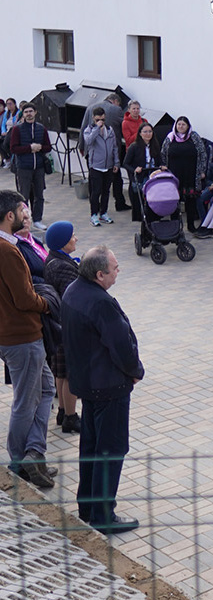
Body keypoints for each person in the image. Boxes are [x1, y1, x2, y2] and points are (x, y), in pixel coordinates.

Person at [62, 245, 143, 534]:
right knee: (111, 450)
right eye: (115, 268)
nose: (118, 271)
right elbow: (120, 344)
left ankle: (89, 506)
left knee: (92, 448)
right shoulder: (100, 302)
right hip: (108, 387)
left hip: (88, 384)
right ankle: (103, 515)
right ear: (99, 274)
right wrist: (135, 372)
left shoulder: (73, 290)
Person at [0, 189, 55, 489]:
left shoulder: (9, 247)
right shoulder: (8, 251)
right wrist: (47, 303)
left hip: (15, 335)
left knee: (45, 391)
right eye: (21, 211)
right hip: (21, 337)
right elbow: (24, 299)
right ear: (10, 216)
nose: (26, 214)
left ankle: (35, 453)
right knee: (25, 401)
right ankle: (19, 463)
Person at [42, 221, 82, 434]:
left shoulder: (53, 260)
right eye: (73, 236)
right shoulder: (64, 267)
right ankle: (70, 417)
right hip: (67, 327)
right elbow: (72, 298)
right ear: (63, 242)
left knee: (60, 371)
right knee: (70, 373)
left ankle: (62, 411)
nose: (76, 239)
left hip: (57, 325)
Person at [79, 93, 129, 212]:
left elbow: (82, 128)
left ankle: (94, 206)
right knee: (116, 179)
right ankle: (119, 203)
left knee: (93, 181)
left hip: (91, 152)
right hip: (109, 153)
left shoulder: (91, 107)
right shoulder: (117, 110)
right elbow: (124, 127)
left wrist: (82, 147)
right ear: (115, 101)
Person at [160, 116, 207, 234]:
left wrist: (202, 171)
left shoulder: (194, 137)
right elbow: (163, 154)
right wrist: (164, 169)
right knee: (174, 201)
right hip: (174, 175)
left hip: (191, 175)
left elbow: (202, 154)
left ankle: (191, 225)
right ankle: (175, 226)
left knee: (190, 202)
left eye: (183, 124)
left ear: (188, 126)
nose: (181, 127)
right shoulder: (170, 138)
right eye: (179, 124)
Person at [8, 102, 51, 229]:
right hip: (23, 167)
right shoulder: (17, 129)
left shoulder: (41, 128)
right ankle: (22, 220)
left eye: (31, 111)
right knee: (23, 196)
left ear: (35, 112)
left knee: (39, 194)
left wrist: (40, 147)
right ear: (23, 114)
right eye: (26, 112)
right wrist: (29, 148)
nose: (29, 114)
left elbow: (48, 147)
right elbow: (14, 148)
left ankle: (37, 219)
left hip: (38, 166)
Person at [83, 106, 120, 228]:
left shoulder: (110, 130)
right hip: (96, 166)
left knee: (106, 191)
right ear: (93, 118)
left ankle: (103, 213)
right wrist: (96, 128)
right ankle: (94, 214)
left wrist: (116, 162)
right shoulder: (89, 130)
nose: (101, 121)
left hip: (108, 166)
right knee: (96, 192)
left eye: (103, 119)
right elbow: (88, 142)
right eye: (98, 119)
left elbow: (114, 146)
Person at [122, 121, 162, 223]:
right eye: (145, 132)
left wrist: (161, 167)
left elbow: (159, 161)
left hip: (152, 176)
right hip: (140, 178)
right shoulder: (134, 147)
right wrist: (134, 170)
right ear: (140, 133)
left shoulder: (156, 146)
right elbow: (125, 163)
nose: (148, 134)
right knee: (139, 198)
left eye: (150, 131)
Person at [15, 206, 48, 279]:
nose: (24, 222)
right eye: (21, 219)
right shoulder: (15, 245)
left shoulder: (35, 240)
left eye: (26, 218)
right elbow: (26, 276)